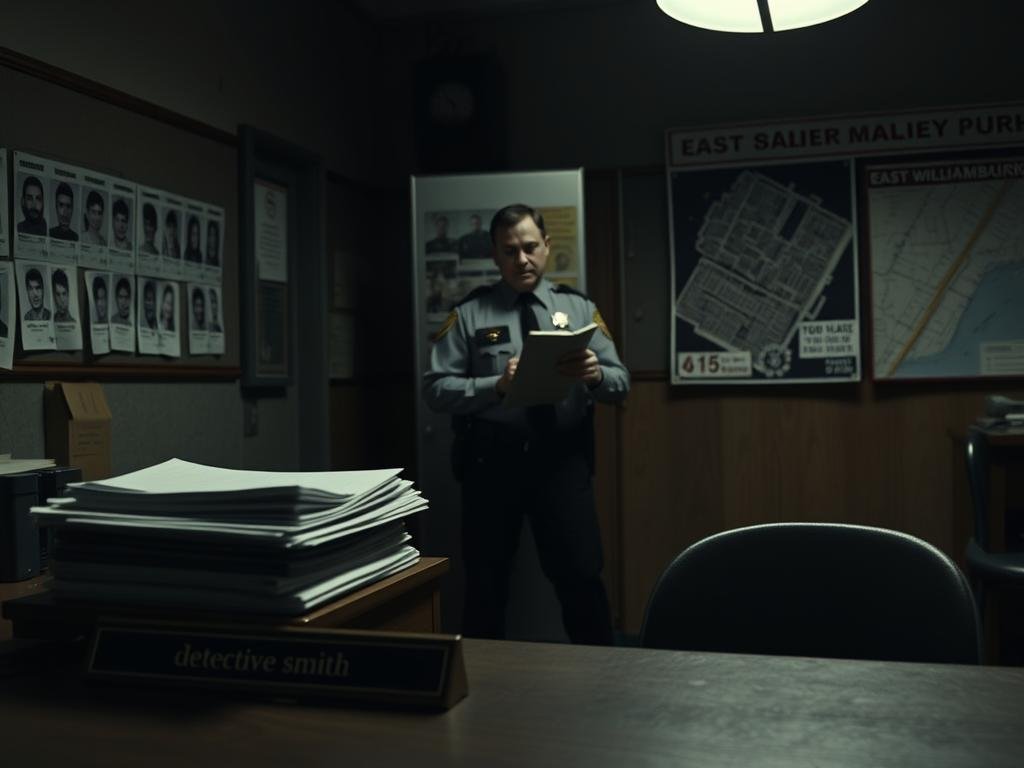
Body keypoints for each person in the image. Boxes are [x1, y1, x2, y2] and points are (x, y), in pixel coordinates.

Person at [422, 204, 630, 645]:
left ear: (547, 247)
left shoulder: (579, 310)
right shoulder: (470, 314)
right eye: (510, 250)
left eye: (531, 248)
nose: (522, 260)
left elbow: (621, 382)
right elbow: (436, 389)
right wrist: (494, 385)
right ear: (495, 256)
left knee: (581, 577)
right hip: (492, 464)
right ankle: (478, 693)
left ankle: (606, 683)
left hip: (562, 462)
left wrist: (596, 375)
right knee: (486, 582)